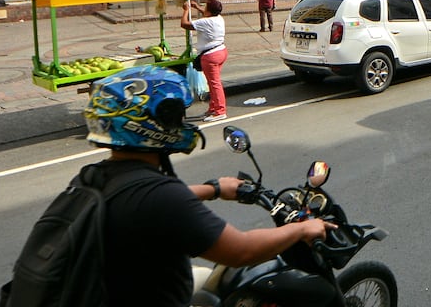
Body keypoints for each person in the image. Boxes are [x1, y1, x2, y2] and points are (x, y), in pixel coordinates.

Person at [78, 66, 332, 306]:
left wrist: (214, 189)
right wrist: (302, 230)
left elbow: (142, 201)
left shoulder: (91, 177)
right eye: (176, 115)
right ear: (152, 125)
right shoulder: (161, 197)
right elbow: (241, 251)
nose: (182, 123)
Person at [182, 0, 228, 122]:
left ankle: (220, 111)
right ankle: (213, 108)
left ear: (210, 10)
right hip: (221, 51)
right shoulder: (219, 18)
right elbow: (208, 14)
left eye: (206, 6)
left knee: (214, 83)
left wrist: (186, 10)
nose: (204, 8)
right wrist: (197, 7)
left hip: (211, 55)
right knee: (213, 83)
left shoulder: (205, 22)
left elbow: (185, 24)